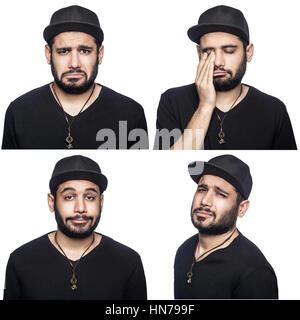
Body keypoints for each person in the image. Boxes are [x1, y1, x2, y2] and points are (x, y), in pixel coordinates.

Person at [2, 5, 148, 149]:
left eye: (84, 51)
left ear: (99, 54)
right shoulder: (19, 112)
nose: (74, 63)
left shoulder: (130, 113)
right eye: (63, 51)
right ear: (48, 54)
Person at [3, 155, 147, 300]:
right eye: (69, 197)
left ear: (101, 202)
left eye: (89, 197)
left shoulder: (128, 262)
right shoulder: (21, 260)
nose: (80, 208)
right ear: (52, 202)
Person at [154, 5, 297, 150]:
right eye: (208, 52)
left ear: (248, 52)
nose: (217, 62)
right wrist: (205, 106)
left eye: (229, 51)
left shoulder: (273, 109)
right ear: (199, 53)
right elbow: (166, 167)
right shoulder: (172, 101)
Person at [174, 154, 278, 299]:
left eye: (220, 194)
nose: (205, 201)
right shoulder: (184, 250)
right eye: (202, 189)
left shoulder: (254, 272)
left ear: (241, 208)